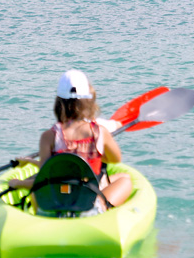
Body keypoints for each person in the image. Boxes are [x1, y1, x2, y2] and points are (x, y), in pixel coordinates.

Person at [9, 70, 133, 211]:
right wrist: (96, 154)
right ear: (89, 102)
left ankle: (38, 215)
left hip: (55, 204)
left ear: (58, 102)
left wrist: (18, 183)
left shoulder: (49, 137)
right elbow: (115, 160)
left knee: (45, 183)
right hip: (88, 208)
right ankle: (104, 208)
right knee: (125, 180)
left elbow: (44, 179)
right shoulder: (100, 133)